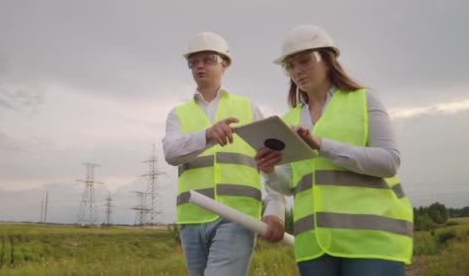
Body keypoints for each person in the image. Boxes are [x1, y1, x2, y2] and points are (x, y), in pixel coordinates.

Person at [256, 25, 413, 276]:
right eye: (291, 66)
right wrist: (270, 170)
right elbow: (288, 185)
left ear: (328, 60)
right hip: (314, 246)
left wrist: (322, 145)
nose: (298, 71)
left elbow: (389, 161)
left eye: (305, 61)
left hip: (371, 241)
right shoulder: (287, 121)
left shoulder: (364, 100)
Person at [163, 31, 286, 276]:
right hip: (192, 219)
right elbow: (171, 153)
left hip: (237, 218)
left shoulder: (248, 109)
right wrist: (207, 136)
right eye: (193, 62)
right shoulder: (178, 114)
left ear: (224, 64)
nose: (199, 66)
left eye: (208, 59)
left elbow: (277, 163)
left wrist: (276, 212)